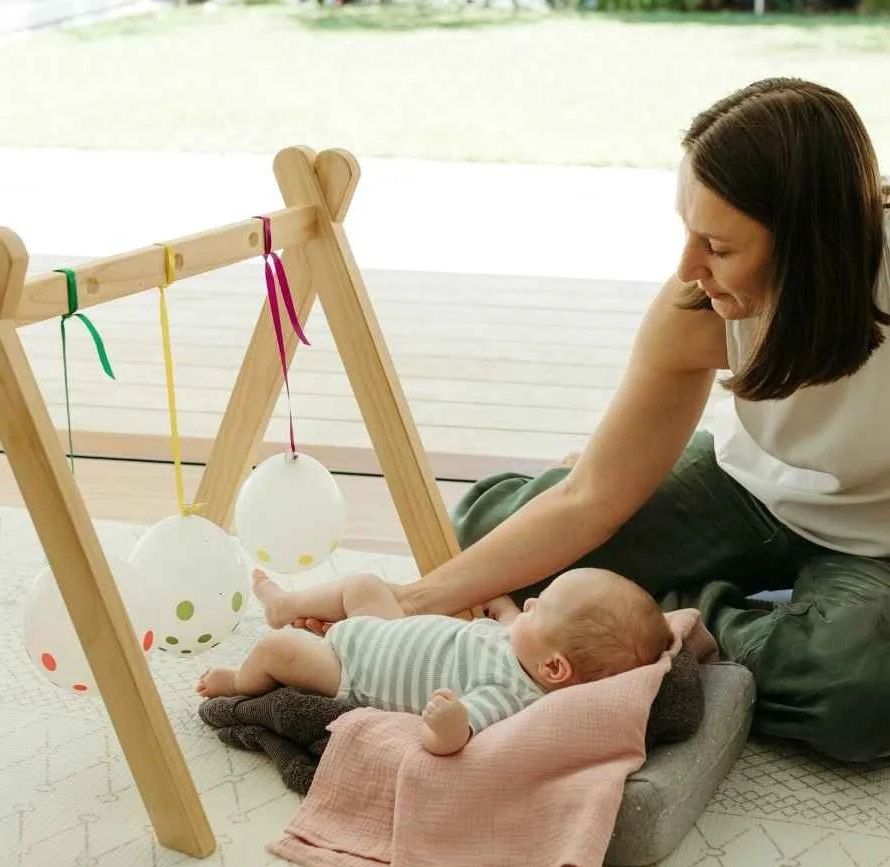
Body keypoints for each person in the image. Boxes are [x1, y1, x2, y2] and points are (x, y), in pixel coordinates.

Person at [288, 77, 890, 764]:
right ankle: (639, 606)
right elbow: (591, 498)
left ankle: (680, 614)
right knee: (482, 542)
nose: (688, 268)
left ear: (811, 253)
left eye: (718, 248)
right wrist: (410, 598)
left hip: (873, 545)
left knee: (855, 699)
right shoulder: (694, 307)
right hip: (744, 482)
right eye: (687, 230)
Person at [197, 568, 671, 754]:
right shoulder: (527, 650)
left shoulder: (511, 694)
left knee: (278, 651)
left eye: (538, 607)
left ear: (554, 670)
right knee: (364, 586)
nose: (529, 606)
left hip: (351, 671)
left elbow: (454, 738)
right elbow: (512, 626)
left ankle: (239, 679)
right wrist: (506, 611)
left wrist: (447, 726)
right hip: (387, 629)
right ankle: (285, 603)